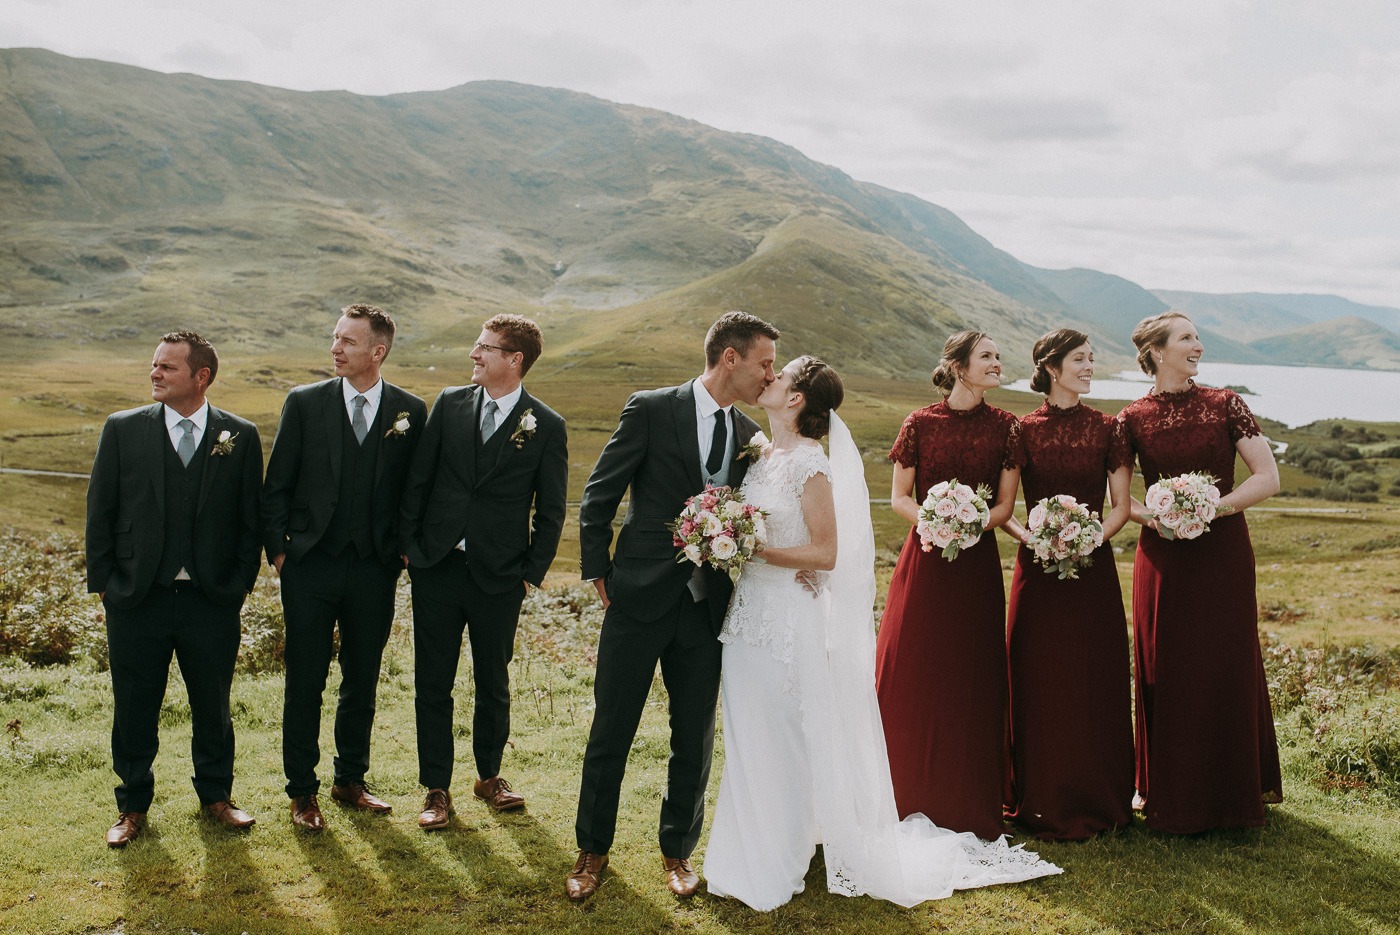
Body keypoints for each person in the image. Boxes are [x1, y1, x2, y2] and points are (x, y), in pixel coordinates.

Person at [704, 355, 1060, 911]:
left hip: (786, 621)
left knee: (782, 736)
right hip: (749, 616)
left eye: (782, 373)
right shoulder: (761, 456)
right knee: (748, 734)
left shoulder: (810, 465)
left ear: (797, 399)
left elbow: (826, 553)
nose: (769, 377)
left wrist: (756, 551)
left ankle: (778, 857)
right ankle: (739, 854)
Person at [568, 311, 778, 902]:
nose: (771, 374)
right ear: (730, 358)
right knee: (612, 728)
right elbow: (602, 489)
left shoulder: (747, 435)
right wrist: (597, 567)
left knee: (694, 733)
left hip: (707, 608)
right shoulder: (652, 408)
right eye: (764, 362)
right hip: (637, 593)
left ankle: (677, 853)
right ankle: (592, 851)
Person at [86, 330, 263, 847]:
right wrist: (106, 586)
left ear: (200, 376)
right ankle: (132, 806)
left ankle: (217, 797)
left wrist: (237, 586)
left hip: (211, 601)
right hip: (137, 598)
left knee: (214, 704)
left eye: (167, 367)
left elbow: (249, 520)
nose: (155, 374)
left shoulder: (240, 434)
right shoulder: (122, 429)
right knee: (134, 704)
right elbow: (100, 512)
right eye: (154, 365)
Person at [262, 304, 427, 831]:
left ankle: (350, 779)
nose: (335, 348)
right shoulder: (305, 403)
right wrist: (281, 551)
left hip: (374, 568)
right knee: (304, 679)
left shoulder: (409, 410)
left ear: (377, 352)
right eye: (334, 338)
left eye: (348, 342)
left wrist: (401, 548)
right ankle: (302, 792)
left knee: (363, 677)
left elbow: (414, 490)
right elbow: (277, 484)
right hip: (310, 566)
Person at [399, 314, 568, 830]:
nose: (474, 355)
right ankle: (436, 788)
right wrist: (410, 547)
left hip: (500, 575)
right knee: (433, 680)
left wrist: (530, 572)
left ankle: (490, 776)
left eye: (484, 348)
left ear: (514, 360)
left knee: (493, 679)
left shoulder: (547, 424)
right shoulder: (449, 404)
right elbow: (419, 478)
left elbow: (553, 507)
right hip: (438, 566)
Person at [1117, 311, 1283, 833]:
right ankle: (1171, 791)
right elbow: (1121, 500)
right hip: (1163, 555)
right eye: (1187, 339)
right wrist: (1161, 515)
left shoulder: (1225, 404)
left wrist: (1212, 509)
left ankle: (1233, 794)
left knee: (1224, 660)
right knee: (1167, 664)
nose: (1199, 346)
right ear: (1158, 352)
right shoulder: (1131, 418)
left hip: (1222, 553)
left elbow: (1267, 477)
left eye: (1197, 337)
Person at [875, 330, 1022, 842]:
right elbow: (899, 497)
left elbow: (1004, 507)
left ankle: (966, 795)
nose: (997, 363)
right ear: (958, 366)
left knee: (971, 672)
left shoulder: (1007, 428)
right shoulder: (919, 423)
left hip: (976, 566)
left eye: (998, 356)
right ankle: (901, 790)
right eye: (987, 356)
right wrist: (936, 522)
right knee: (914, 667)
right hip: (926, 561)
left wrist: (969, 525)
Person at [1001, 330, 1135, 840]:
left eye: (1092, 359)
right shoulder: (1021, 430)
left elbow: (1121, 506)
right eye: (1080, 359)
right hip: (1037, 572)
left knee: (1092, 674)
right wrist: (1037, 541)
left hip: (1092, 570)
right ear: (1051, 368)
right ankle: (1038, 797)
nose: (1090, 367)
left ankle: (1101, 797)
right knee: (1039, 676)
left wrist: (1088, 538)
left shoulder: (1109, 428)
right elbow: (1009, 512)